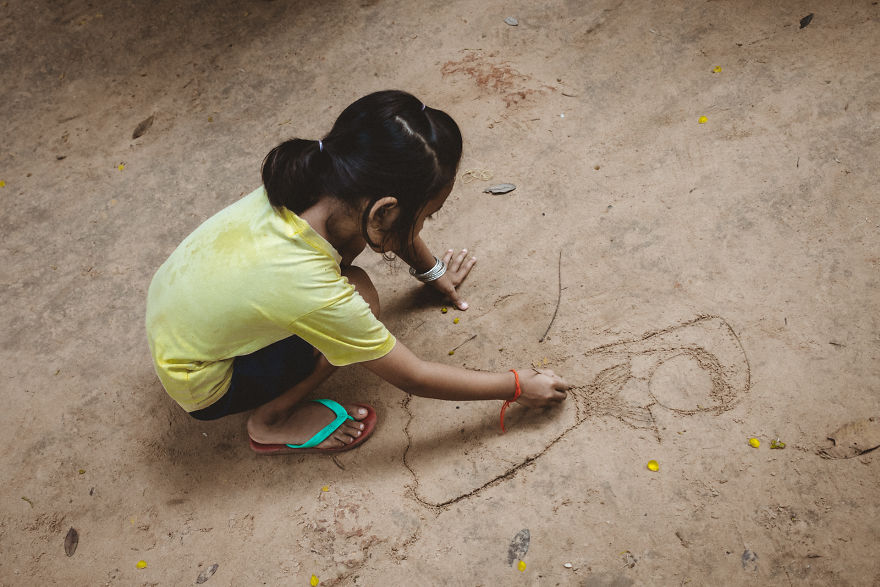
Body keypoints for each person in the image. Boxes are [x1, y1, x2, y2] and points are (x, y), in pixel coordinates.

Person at [145, 90, 569, 454]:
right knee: (362, 295)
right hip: (206, 381)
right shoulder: (309, 283)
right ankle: (271, 423)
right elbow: (414, 376)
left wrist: (432, 271)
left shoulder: (315, 178)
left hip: (176, 320)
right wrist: (515, 385)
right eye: (425, 217)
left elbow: (384, 226)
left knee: (352, 258)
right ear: (386, 209)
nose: (421, 229)